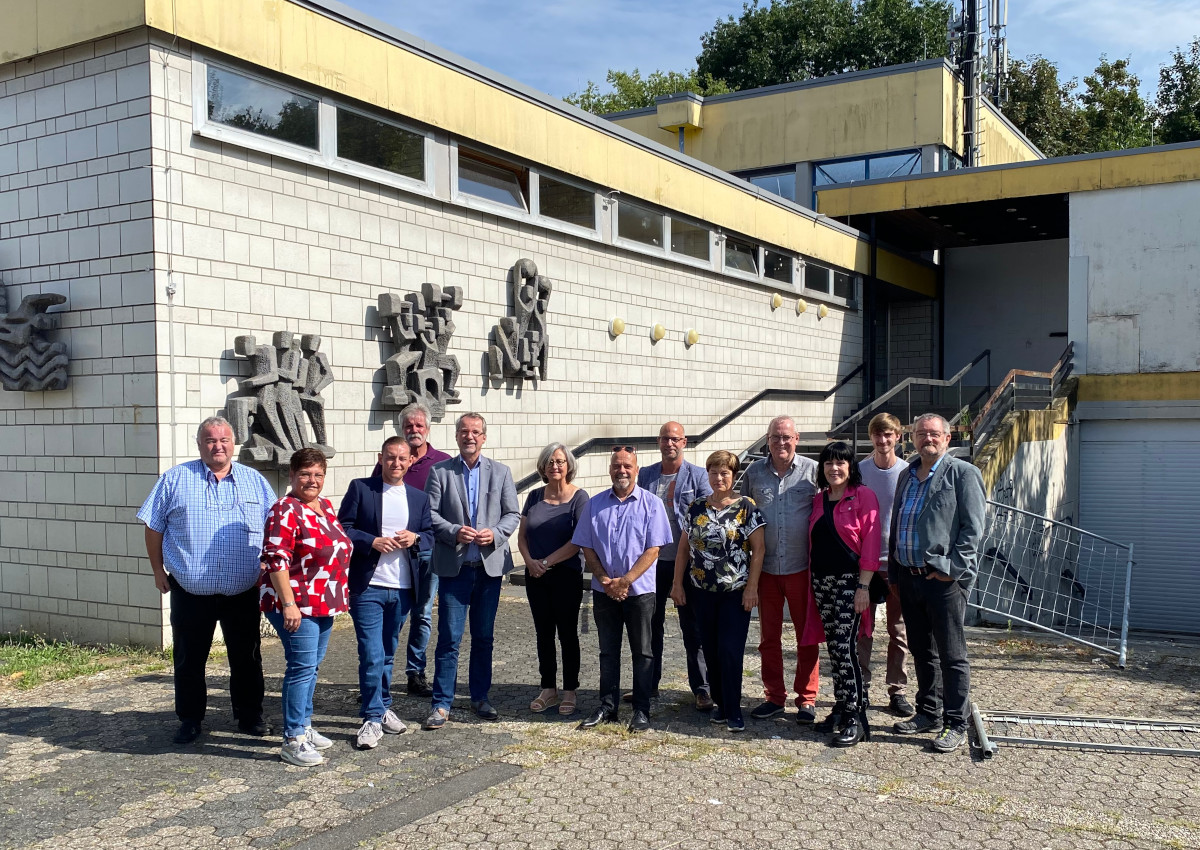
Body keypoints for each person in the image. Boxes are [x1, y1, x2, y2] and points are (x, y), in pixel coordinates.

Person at [138, 416, 275, 745]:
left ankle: (249, 716)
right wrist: (158, 570)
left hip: (243, 591)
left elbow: (275, 527)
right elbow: (153, 527)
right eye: (211, 440)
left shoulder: (254, 481)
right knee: (188, 658)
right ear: (199, 445)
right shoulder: (175, 479)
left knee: (247, 657)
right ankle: (189, 719)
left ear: (234, 444)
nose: (218, 446)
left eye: (224, 440)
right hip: (190, 590)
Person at [889, 413, 985, 753]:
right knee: (921, 651)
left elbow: (973, 529)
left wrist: (954, 568)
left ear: (946, 438)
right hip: (909, 577)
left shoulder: (963, 473)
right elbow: (898, 522)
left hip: (943, 581)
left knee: (952, 655)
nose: (927, 438)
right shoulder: (906, 475)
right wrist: (895, 572)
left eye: (934, 434)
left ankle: (955, 721)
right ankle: (927, 711)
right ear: (912, 438)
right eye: (920, 434)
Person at [422, 412, 520, 730]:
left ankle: (480, 697)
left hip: (489, 569)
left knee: (484, 638)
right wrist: (453, 532)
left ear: (484, 437)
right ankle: (441, 704)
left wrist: (496, 533)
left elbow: (512, 514)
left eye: (475, 432)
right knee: (449, 638)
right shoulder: (439, 472)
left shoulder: (501, 472)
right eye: (464, 431)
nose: (470, 436)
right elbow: (430, 515)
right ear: (456, 436)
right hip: (455, 569)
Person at [339, 437, 435, 749]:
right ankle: (371, 716)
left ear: (410, 461)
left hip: (403, 588)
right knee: (371, 652)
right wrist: (372, 542)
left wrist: (416, 537)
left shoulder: (419, 498)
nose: (395, 463)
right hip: (368, 585)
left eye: (401, 458)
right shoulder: (361, 488)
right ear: (380, 458)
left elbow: (432, 535)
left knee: (387, 652)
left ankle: (382, 706)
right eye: (390, 457)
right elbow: (342, 528)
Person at [259, 448, 351, 767]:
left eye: (318, 475)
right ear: (292, 476)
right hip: (297, 604)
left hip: (325, 601)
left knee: (311, 667)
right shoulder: (285, 509)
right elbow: (276, 559)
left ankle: (305, 726)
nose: (312, 480)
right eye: (305, 474)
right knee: (300, 668)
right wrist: (288, 604)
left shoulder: (323, 506)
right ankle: (293, 739)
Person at [573, 447, 672, 733]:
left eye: (627, 466)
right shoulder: (594, 504)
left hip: (639, 592)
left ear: (637, 469)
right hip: (605, 591)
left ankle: (641, 710)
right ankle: (607, 706)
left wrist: (625, 581)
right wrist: (606, 579)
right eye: (617, 466)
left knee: (643, 652)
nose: (622, 471)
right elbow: (587, 546)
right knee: (608, 651)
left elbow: (653, 550)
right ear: (610, 469)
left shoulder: (652, 504)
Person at [671, 450, 764, 732]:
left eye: (724, 472)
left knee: (730, 651)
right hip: (701, 591)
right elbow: (684, 549)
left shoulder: (746, 506)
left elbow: (759, 550)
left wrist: (752, 588)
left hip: (735, 592)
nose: (719, 477)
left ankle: (735, 710)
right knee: (709, 650)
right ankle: (721, 706)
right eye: (714, 472)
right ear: (707, 475)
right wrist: (677, 584)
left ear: (733, 476)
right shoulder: (696, 507)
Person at [739, 415, 823, 723]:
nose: (781, 442)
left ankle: (807, 698)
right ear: (768, 441)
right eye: (775, 437)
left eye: (786, 437)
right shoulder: (754, 473)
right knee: (769, 639)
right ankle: (774, 697)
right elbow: (744, 514)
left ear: (797, 438)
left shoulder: (813, 472)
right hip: (766, 570)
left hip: (802, 568)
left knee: (807, 636)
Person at [372, 402, 451, 697]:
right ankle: (377, 678)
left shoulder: (442, 463)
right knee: (392, 616)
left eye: (419, 425)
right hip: (389, 554)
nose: (414, 430)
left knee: (422, 614)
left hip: (425, 552)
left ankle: (415, 672)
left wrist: (421, 536)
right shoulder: (390, 460)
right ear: (401, 429)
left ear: (428, 429)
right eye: (409, 426)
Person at [807, 441, 881, 747]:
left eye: (840, 463)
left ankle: (855, 716)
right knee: (835, 650)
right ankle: (841, 706)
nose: (834, 469)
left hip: (851, 583)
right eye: (828, 463)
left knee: (845, 647)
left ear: (851, 467)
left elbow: (871, 544)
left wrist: (863, 587)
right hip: (822, 583)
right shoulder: (819, 499)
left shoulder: (863, 496)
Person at [637, 421, 712, 711]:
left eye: (676, 439)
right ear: (659, 441)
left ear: (685, 442)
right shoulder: (646, 475)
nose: (670, 443)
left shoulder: (698, 476)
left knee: (692, 627)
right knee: (649, 626)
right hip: (651, 563)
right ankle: (648, 685)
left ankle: (702, 688)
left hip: (688, 563)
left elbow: (705, 514)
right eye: (665, 438)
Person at [516, 443, 589, 716]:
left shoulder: (580, 498)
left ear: (568, 466)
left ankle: (570, 690)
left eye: (560, 461)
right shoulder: (534, 496)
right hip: (535, 575)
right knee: (543, 633)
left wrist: (546, 562)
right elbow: (522, 536)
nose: (555, 466)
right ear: (543, 467)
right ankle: (548, 688)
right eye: (550, 462)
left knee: (568, 634)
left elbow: (578, 540)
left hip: (566, 576)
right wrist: (530, 562)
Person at [856, 412, 913, 717]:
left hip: (897, 563)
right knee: (863, 630)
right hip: (864, 563)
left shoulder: (907, 472)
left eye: (888, 434)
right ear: (872, 438)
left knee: (898, 630)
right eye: (878, 435)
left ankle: (897, 690)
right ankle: (861, 686)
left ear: (898, 437)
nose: (883, 440)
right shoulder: (860, 470)